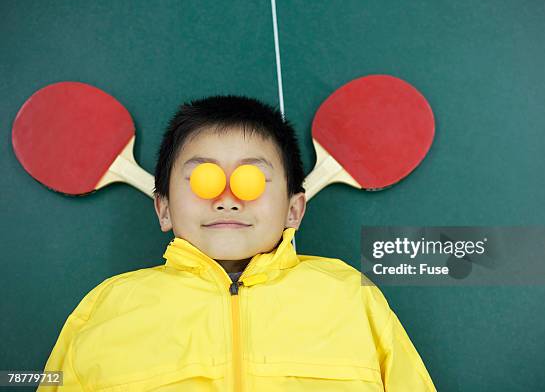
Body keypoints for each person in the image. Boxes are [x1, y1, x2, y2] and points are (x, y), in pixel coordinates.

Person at [38, 96, 437, 391]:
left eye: (253, 180)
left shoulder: (352, 296)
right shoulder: (105, 309)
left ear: (294, 210)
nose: (227, 198)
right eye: (202, 180)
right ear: (163, 209)